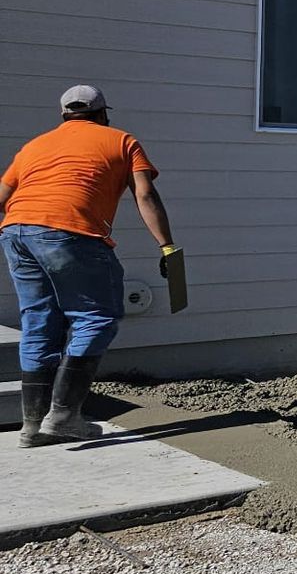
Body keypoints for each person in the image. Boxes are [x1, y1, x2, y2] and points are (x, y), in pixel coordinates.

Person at [1, 85, 176, 447]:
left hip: (16, 230)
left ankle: (32, 426)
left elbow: (2, 197)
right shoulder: (121, 140)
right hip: (70, 232)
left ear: (65, 114)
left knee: (38, 322)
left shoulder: (35, 145)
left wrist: (28, 231)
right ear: (102, 114)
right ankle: (63, 417)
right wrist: (167, 247)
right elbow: (145, 193)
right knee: (96, 316)